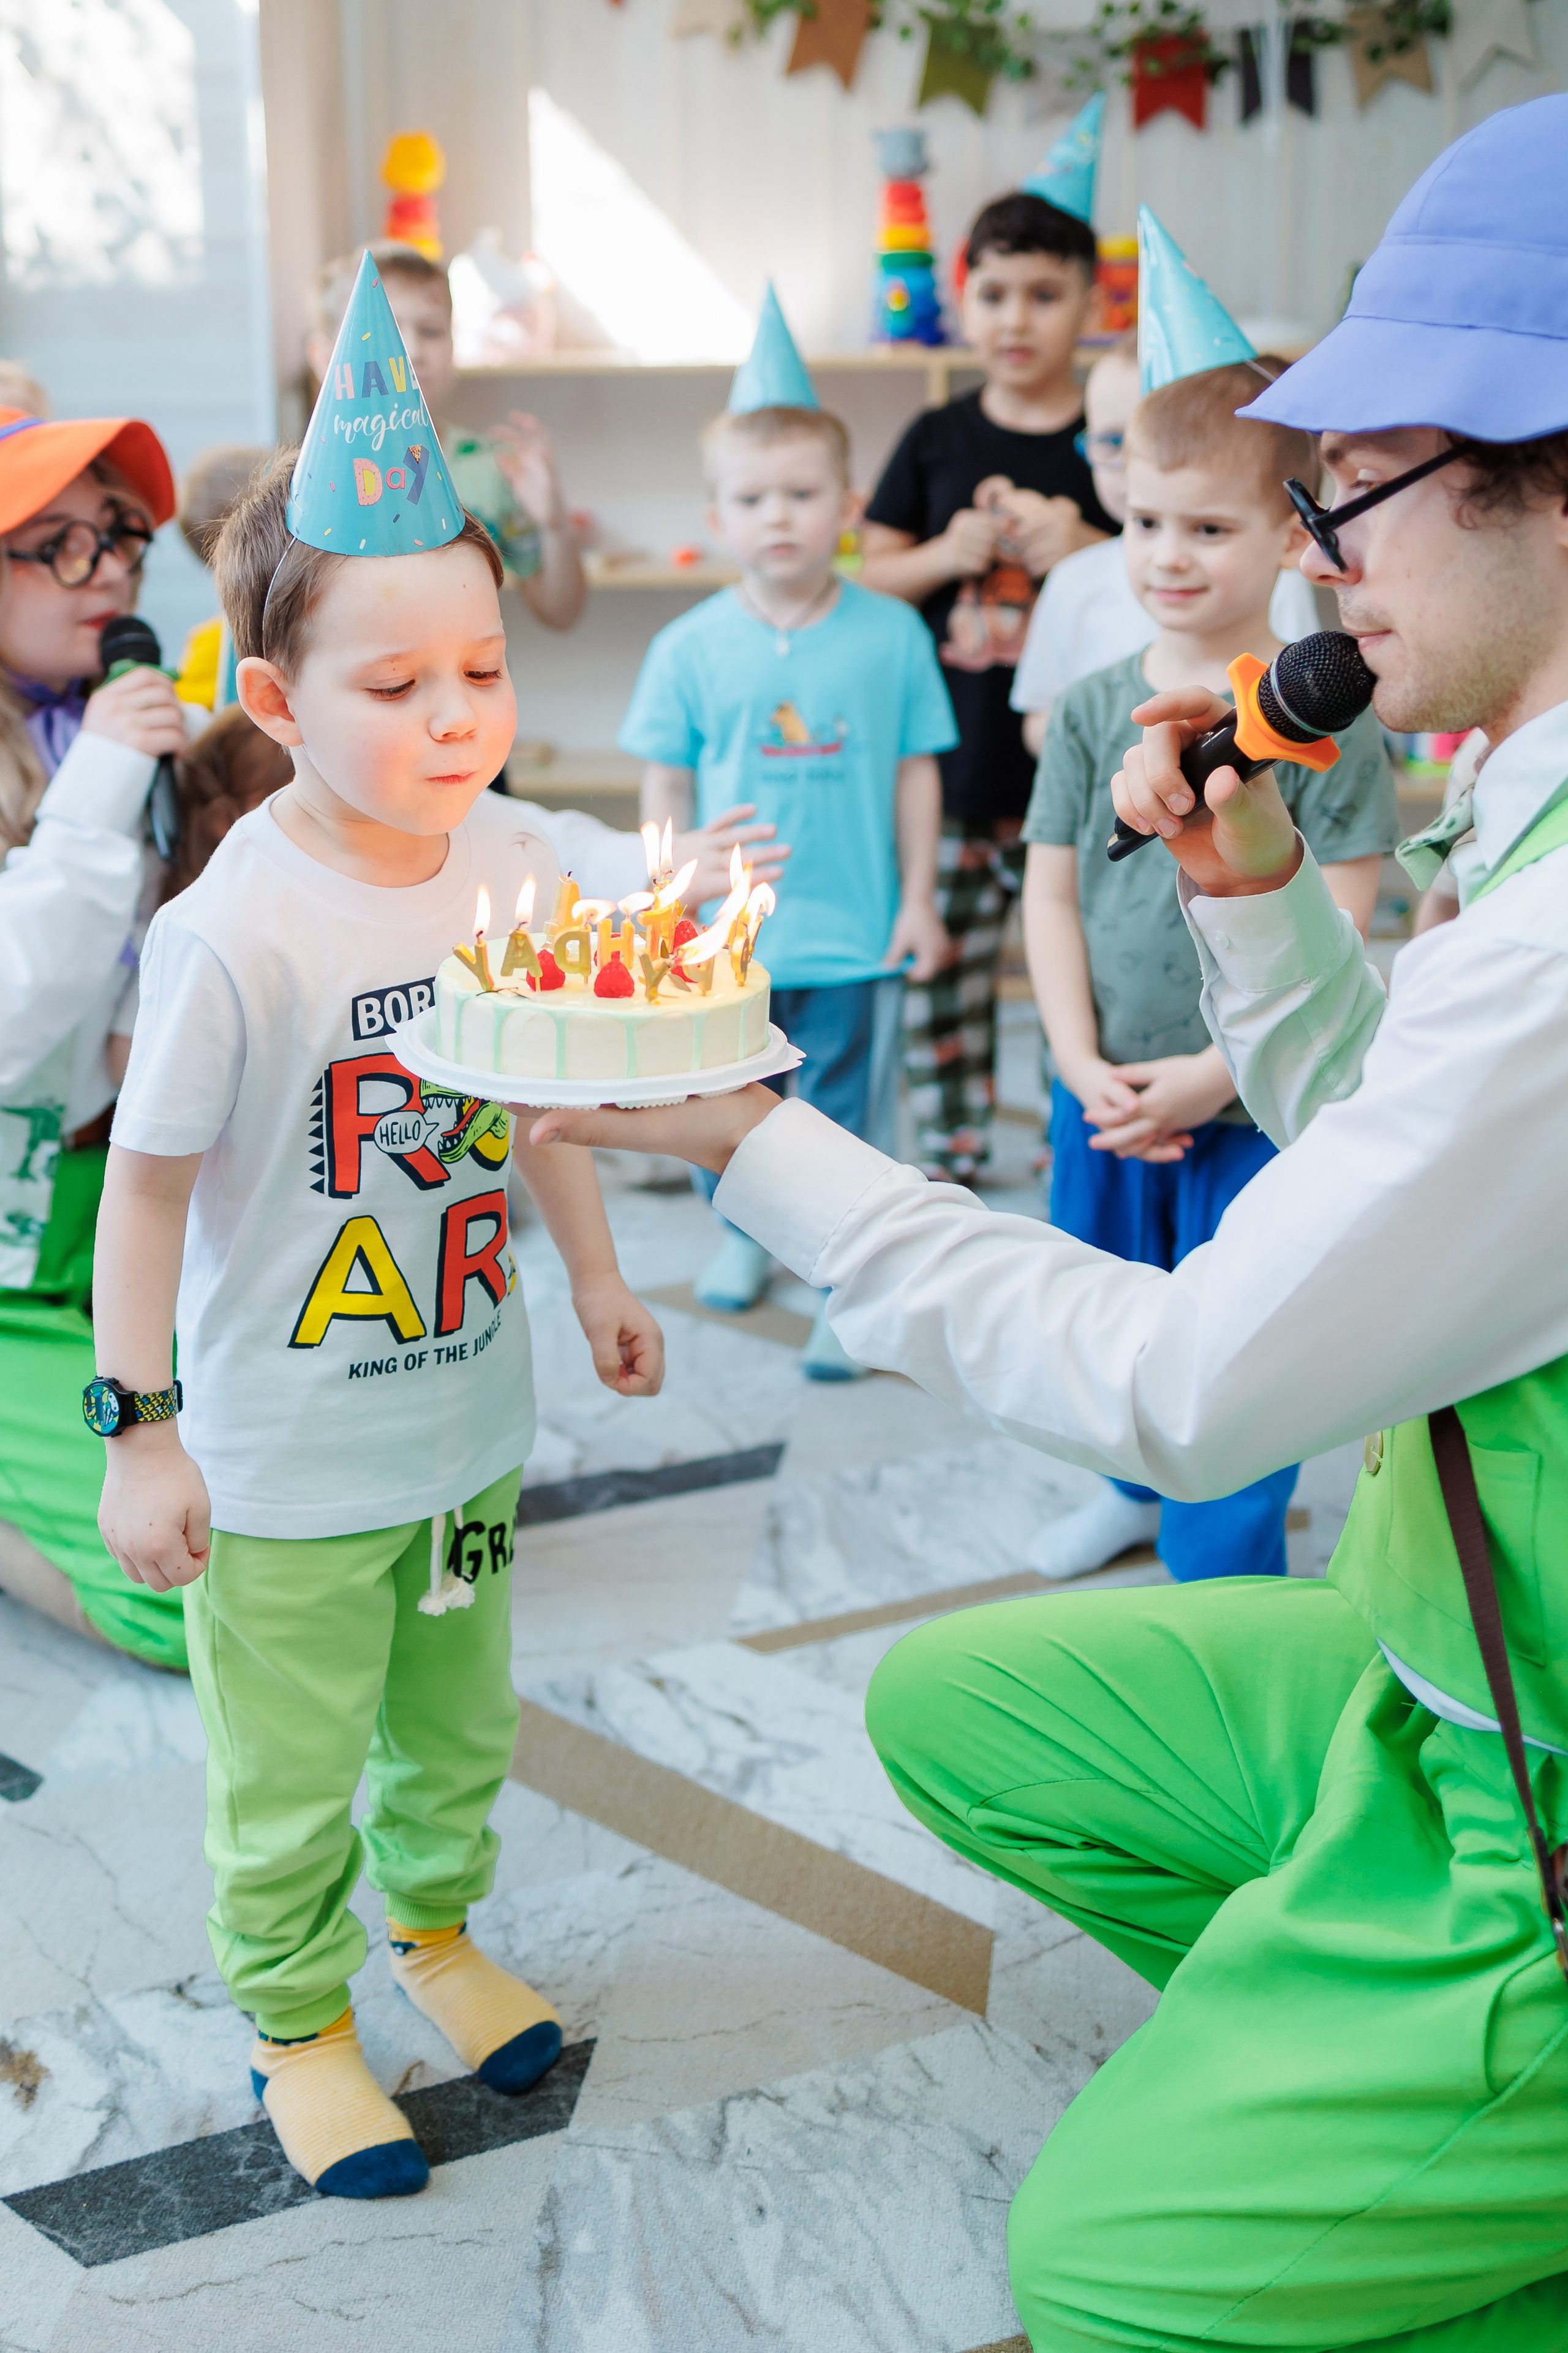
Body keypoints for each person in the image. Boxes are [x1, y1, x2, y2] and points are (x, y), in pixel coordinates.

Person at [528, 96, 1568, 2347]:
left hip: (1542, 1791)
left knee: (1104, 2276)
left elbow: (1181, 1392)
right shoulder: (1523, 808)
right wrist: (1263, 908)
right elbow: (1420, 1156)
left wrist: (754, 1143)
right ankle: (1361, 2081)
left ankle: (1450, 2116)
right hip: (1445, 1681)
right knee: (968, 1710)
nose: (1312, 571)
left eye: (1351, 497)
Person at [90, 265, 665, 2202]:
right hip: (284, 1459)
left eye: (482, 671)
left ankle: (435, 1926)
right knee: (285, 1762)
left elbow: (537, 1087)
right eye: (395, 682)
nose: (455, 715)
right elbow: (147, 1186)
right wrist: (139, 1421)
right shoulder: (232, 929)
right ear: (276, 698)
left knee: (458, 1715)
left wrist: (588, 1267)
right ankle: (297, 2016)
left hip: (462, 1422)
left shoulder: (512, 858)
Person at [1021, 356, 1397, 1584]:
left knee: (1234, 1343)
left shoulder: (1328, 724)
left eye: (1208, 526)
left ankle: (1223, 1567)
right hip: (1101, 1097)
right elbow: (1052, 893)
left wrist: (1200, 1077)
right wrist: (1079, 1062)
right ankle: (1129, 1490)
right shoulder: (1086, 713)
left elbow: (1332, 922)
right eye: (1140, 521)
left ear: (1291, 540)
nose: (1165, 554)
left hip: (1245, 1110)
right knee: (1106, 1309)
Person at [623, 289, 954, 1378]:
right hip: (729, 943)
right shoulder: (685, 647)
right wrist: (666, 896)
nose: (779, 515)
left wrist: (917, 898)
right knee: (725, 1109)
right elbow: (663, 781)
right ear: (716, 516)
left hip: (853, 929)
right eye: (752, 497)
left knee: (843, 1116)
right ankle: (741, 1231)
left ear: (847, 504)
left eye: (803, 493)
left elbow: (915, 774)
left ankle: (836, 1272)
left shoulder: (893, 633)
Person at [861, 191, 1115, 1183]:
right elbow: (871, 576)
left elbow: (1167, 565)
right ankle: (952, 1150)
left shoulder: (1110, 440)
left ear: (1092, 303)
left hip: (1080, 777)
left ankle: (1085, 1133)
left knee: (1085, 972)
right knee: (944, 976)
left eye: (1045, 295)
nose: (1016, 319)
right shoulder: (935, 436)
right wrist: (942, 554)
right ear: (963, 301)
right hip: (954, 775)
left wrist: (1088, 544)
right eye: (995, 293)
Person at [0, 403, 194, 1669]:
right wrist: (98, 799)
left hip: (114, 1213)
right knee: (178, 1583)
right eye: (59, 543)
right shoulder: (96, 763)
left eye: (118, 535)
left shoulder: (119, 735)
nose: (111, 566)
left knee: (301, 1484)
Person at [1011, 333, 1319, 755]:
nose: (1170, 559)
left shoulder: (1300, 684)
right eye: (1113, 441)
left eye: (1209, 529)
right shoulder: (1083, 693)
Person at [308, 240, 586, 633]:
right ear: (324, 359)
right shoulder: (301, 482)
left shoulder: (494, 468)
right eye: (383, 331)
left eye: (432, 330)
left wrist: (554, 524)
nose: (412, 350)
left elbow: (560, 612)